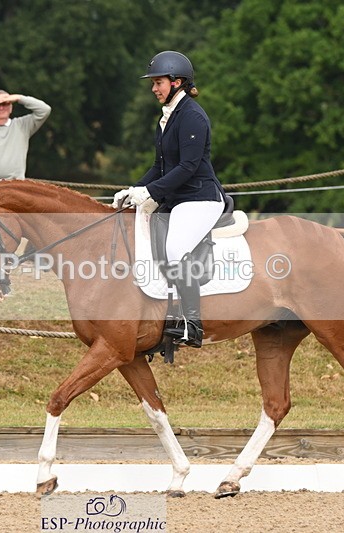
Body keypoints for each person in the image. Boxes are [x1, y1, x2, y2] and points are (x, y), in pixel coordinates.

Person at [113, 50, 227, 348]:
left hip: (200, 197)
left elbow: (188, 167)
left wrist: (150, 193)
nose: (154, 88)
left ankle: (192, 324)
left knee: (175, 249)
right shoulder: (167, 118)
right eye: (153, 83)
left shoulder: (192, 116)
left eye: (158, 82)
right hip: (178, 197)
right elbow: (159, 166)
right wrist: (133, 190)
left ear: (176, 82)